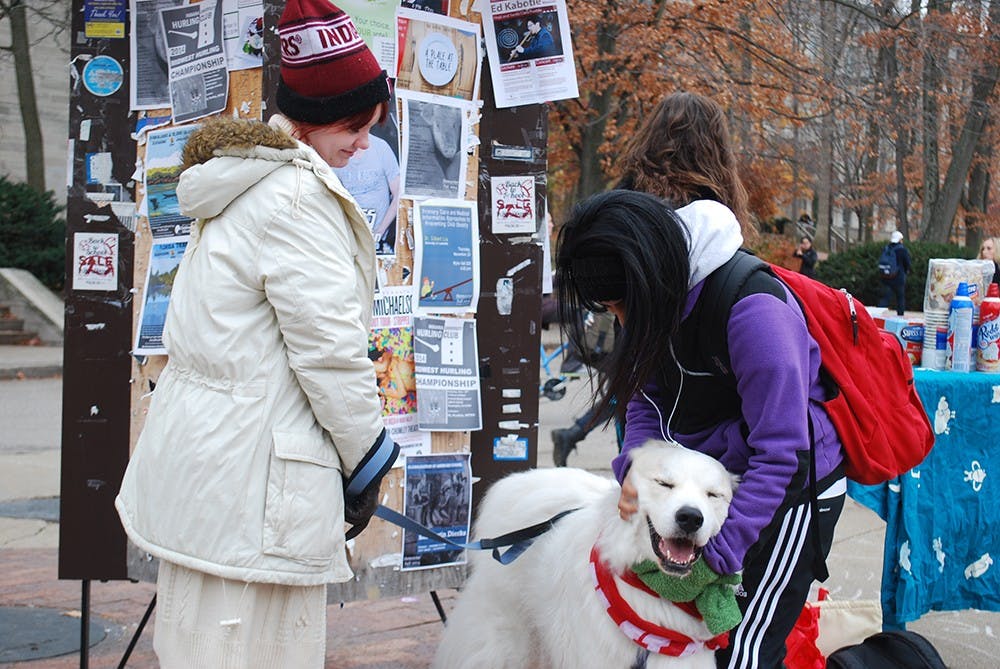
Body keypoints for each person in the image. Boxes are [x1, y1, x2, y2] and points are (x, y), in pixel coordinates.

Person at [114, 1, 399, 666]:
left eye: (371, 125)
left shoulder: (251, 181)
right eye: (352, 125)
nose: (363, 142)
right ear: (306, 119)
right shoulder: (296, 201)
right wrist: (370, 457)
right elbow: (329, 354)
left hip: (214, 474)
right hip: (255, 485)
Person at [556, 92, 846, 669]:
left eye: (621, 307)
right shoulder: (655, 291)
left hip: (789, 493)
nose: (620, 321)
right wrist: (637, 470)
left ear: (650, 281)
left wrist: (724, 547)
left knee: (741, 651)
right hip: (713, 482)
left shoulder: (756, 313)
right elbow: (643, 393)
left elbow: (780, 450)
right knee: (680, 645)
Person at [333, 133, 401, 256]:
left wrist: (379, 232)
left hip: (380, 243)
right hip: (350, 241)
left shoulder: (381, 147)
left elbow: (399, 195)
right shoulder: (335, 150)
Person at [878, 230, 913, 316]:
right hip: (899, 278)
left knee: (885, 298)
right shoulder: (902, 250)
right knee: (900, 298)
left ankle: (878, 315)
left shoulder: (887, 248)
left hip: (886, 277)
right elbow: (907, 264)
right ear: (900, 240)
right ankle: (900, 315)